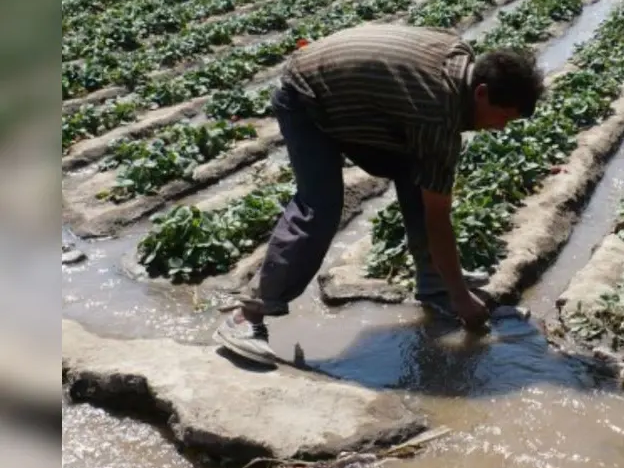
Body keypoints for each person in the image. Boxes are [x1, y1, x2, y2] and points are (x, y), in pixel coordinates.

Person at [213, 23, 546, 364]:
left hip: (350, 95)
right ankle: (247, 315)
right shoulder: (437, 112)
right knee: (321, 204)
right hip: (306, 97)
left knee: (418, 175)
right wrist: (463, 296)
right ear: (481, 93)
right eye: (502, 116)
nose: (500, 127)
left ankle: (435, 288)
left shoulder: (461, 61)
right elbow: (437, 217)